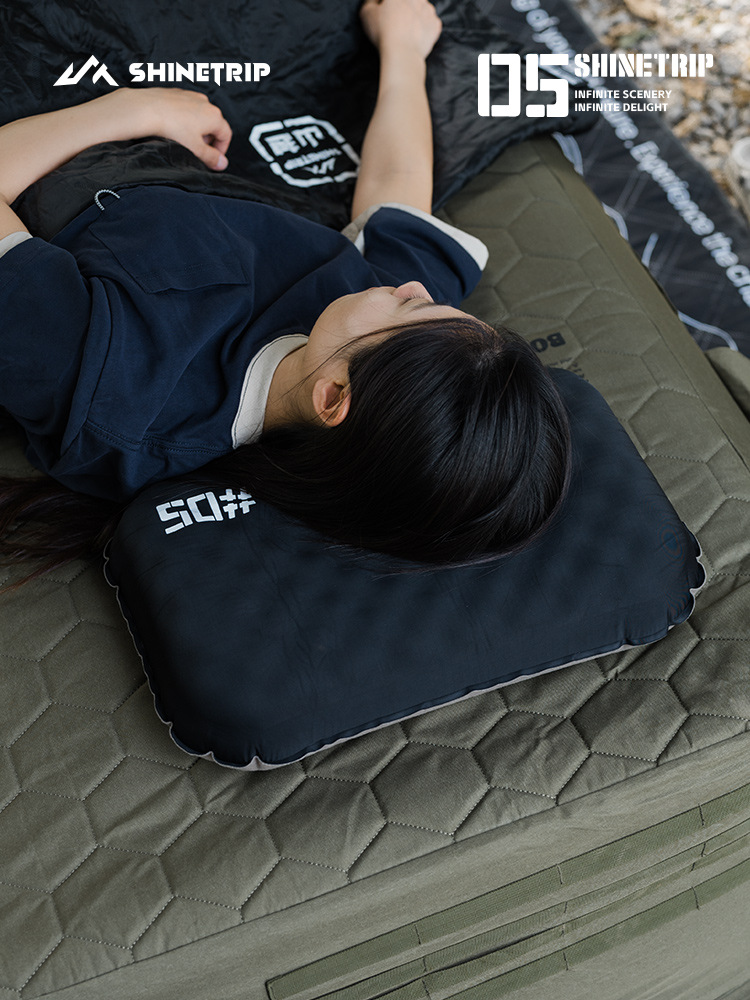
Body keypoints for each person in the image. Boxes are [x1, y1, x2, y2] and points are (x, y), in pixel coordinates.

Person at [0, 0, 571, 579]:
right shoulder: (398, 346)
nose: (414, 286)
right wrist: (403, 49)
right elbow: (397, 192)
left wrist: (127, 111)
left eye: (414, 307)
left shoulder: (109, 393)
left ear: (333, 398)